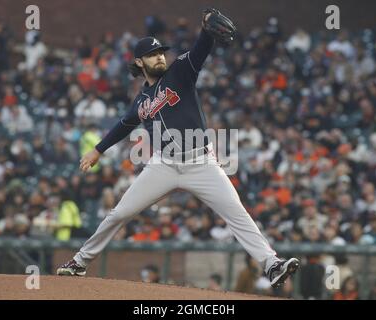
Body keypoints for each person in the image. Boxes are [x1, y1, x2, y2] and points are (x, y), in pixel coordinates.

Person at [57, 8, 299, 288]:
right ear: (139, 62)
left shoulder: (182, 71)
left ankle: (272, 265)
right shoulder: (140, 100)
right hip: (163, 165)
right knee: (120, 213)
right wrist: (98, 150)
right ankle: (80, 262)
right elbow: (123, 125)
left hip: (201, 163)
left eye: (161, 52)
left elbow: (200, 49)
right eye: (153, 54)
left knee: (237, 213)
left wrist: (206, 30)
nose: (160, 56)